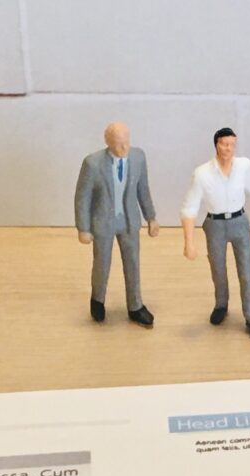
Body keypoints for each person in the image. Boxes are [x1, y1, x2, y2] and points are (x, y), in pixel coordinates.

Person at [180, 127, 250, 341]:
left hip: (239, 222)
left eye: (232, 144)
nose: (228, 148)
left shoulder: (244, 166)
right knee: (218, 268)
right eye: (224, 144)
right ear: (216, 145)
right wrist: (189, 242)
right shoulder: (202, 173)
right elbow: (189, 208)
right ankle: (221, 304)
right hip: (215, 225)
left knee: (246, 271)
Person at [74, 122, 158, 327]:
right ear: (108, 142)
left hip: (129, 221)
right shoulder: (93, 163)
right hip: (103, 222)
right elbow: (82, 197)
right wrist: (83, 228)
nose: (124, 148)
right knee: (102, 263)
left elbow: (143, 189)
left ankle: (135, 305)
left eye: (126, 142)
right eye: (119, 143)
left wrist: (151, 217)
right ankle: (97, 300)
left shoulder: (138, 157)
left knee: (133, 262)